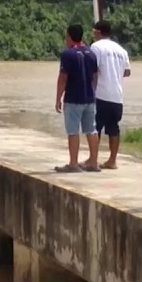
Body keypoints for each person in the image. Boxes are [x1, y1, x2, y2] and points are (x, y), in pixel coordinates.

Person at [55, 23, 101, 173]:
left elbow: (63, 78)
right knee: (91, 130)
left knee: (73, 131)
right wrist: (92, 92)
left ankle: (73, 164)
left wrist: (58, 98)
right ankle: (93, 162)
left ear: (69, 36)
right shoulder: (91, 53)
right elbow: (95, 77)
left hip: (73, 99)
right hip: (89, 99)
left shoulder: (67, 54)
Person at [90, 20, 132, 169]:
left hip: (100, 93)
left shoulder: (96, 47)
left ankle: (92, 159)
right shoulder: (121, 50)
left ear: (99, 32)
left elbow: (92, 69)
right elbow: (127, 72)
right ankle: (112, 160)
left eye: (93, 31)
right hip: (117, 96)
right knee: (114, 128)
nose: (92, 34)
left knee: (95, 127)